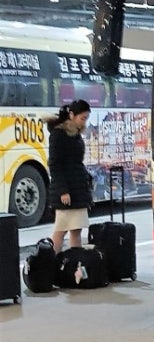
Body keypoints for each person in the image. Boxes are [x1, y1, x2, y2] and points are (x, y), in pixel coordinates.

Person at [46, 99, 93, 254]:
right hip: (68, 193)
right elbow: (55, 164)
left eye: (86, 118)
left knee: (76, 231)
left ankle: (74, 267)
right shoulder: (59, 134)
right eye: (82, 118)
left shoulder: (75, 134)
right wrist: (63, 191)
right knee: (61, 231)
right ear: (72, 115)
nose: (84, 122)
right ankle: (51, 264)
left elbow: (75, 163)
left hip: (78, 189)